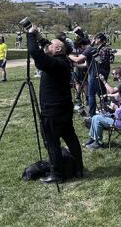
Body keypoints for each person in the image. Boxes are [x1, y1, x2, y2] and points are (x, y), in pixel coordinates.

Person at [27, 25, 83, 183]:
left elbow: (35, 53)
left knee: (52, 143)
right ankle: (78, 168)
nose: (48, 46)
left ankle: (56, 174)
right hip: (64, 109)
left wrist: (31, 35)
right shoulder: (62, 61)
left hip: (52, 111)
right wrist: (40, 37)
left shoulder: (55, 64)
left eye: (51, 45)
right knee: (71, 138)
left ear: (58, 49)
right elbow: (45, 47)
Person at [84, 80, 121, 150]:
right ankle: (93, 139)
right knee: (96, 116)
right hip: (119, 120)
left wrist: (116, 108)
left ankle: (98, 143)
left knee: (96, 118)